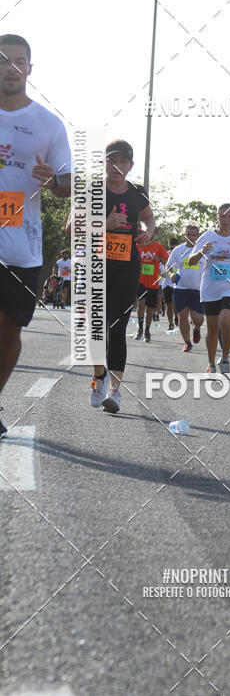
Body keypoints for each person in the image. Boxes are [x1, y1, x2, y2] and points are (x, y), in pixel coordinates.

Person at [0, 34, 72, 437]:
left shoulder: (47, 124)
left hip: (20, 242)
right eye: (3, 60)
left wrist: (51, 182)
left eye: (19, 62)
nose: (12, 68)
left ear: (30, 68)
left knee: (9, 328)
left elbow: (67, 183)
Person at [66, 139, 155, 414]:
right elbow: (71, 228)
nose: (117, 166)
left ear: (130, 165)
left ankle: (115, 392)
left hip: (127, 265)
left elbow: (149, 218)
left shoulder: (137, 193)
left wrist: (148, 232)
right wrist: (104, 224)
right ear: (104, 162)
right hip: (95, 264)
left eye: (123, 161)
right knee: (93, 327)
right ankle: (99, 375)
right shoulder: (92, 190)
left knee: (116, 327)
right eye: (111, 160)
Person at [187, 204, 230, 373]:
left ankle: (226, 358)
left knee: (227, 320)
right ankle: (211, 363)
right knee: (213, 327)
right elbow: (191, 261)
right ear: (217, 218)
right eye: (223, 216)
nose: (226, 220)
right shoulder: (207, 236)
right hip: (210, 287)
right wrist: (201, 251)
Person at [167, 224, 204, 352]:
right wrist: (171, 274)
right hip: (180, 288)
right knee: (183, 316)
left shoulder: (202, 251)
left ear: (197, 236)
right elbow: (168, 266)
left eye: (194, 235)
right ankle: (187, 342)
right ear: (184, 235)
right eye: (188, 234)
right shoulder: (177, 250)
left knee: (198, 319)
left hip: (198, 289)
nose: (191, 237)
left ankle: (197, 328)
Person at [135, 236, 169, 342]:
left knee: (150, 309)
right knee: (141, 304)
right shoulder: (137, 246)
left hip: (153, 283)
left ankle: (147, 331)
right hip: (140, 281)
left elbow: (167, 262)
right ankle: (140, 328)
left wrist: (158, 259)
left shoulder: (158, 247)